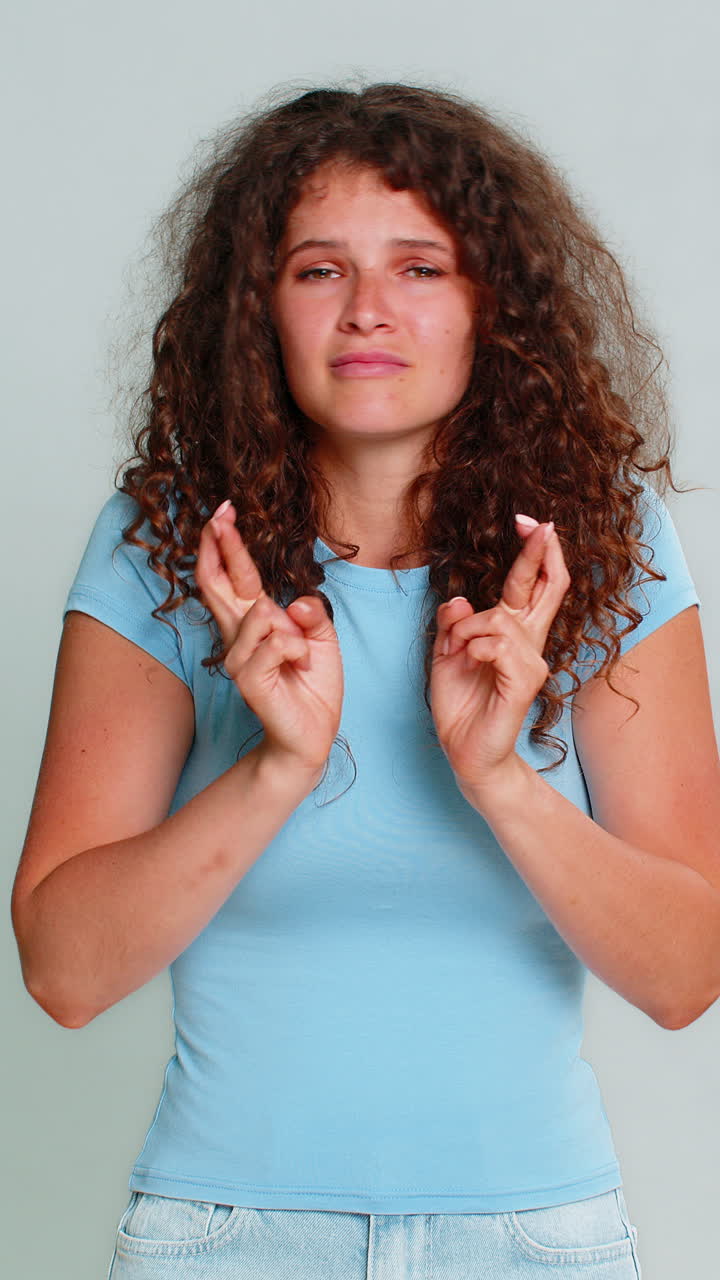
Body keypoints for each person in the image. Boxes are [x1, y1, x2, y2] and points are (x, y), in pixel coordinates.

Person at [11, 81, 720, 1280]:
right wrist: (274, 766)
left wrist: (499, 778)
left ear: (492, 307)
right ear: (259, 311)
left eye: (422, 268)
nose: (369, 311)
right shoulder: (166, 546)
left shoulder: (600, 547)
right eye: (318, 270)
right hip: (222, 1238)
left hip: (534, 1241)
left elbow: (686, 973)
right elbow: (65, 973)